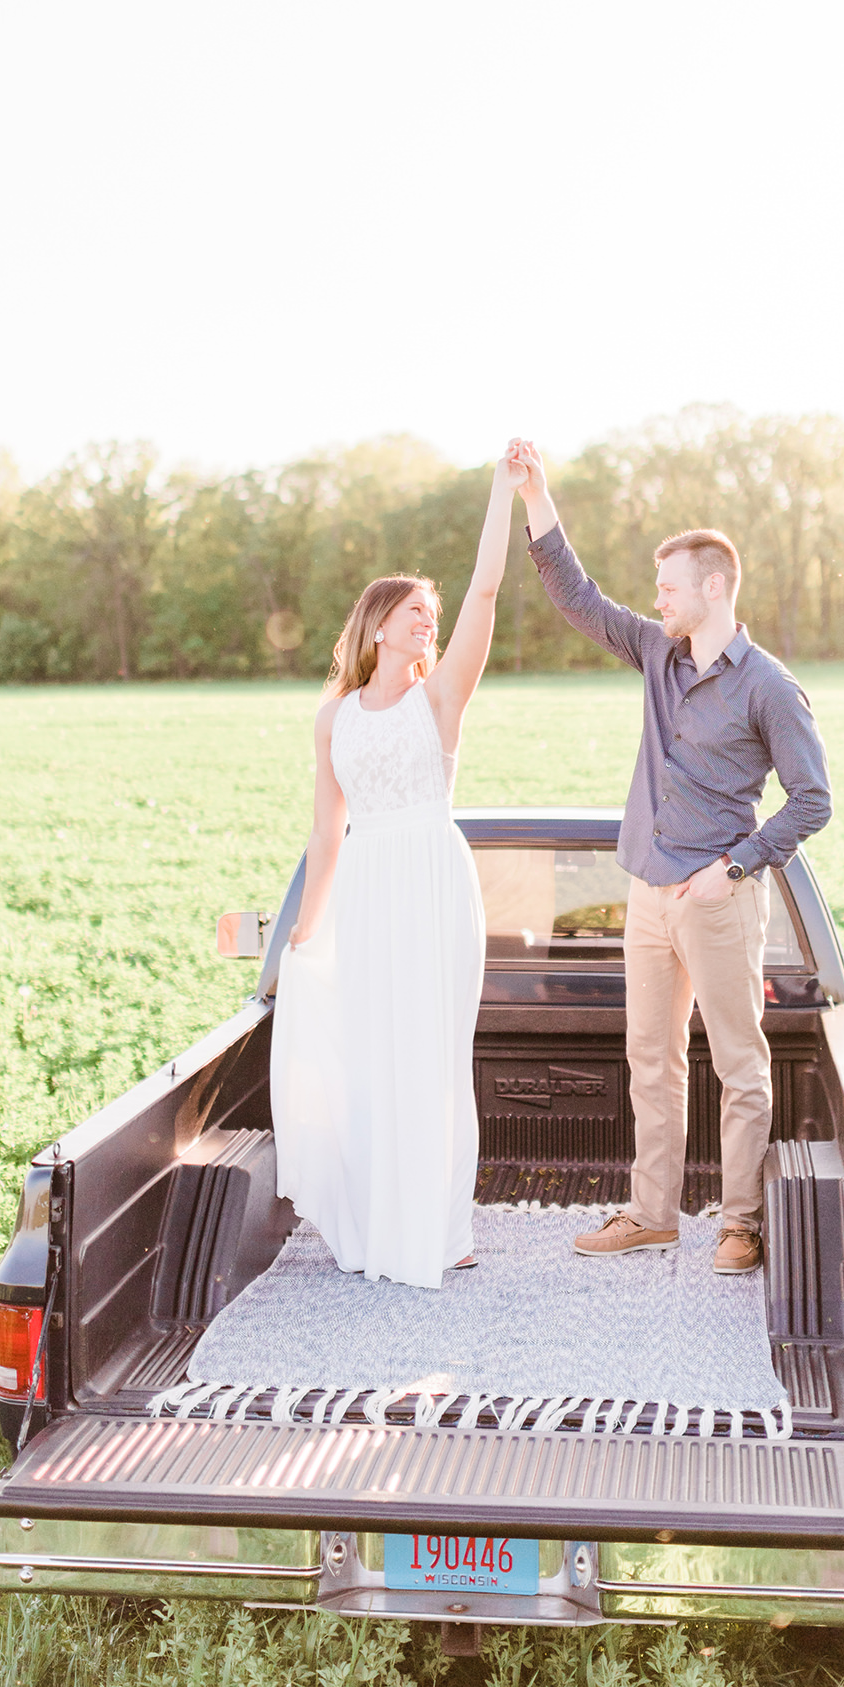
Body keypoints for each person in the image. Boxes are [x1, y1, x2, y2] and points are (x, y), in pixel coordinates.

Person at [512, 439, 832, 1274]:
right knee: (648, 1059)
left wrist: (730, 869)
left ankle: (739, 1225)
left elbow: (811, 801)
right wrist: (536, 495)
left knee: (737, 1063)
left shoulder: (768, 687)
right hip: (645, 893)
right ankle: (651, 1215)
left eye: (667, 587)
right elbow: (577, 598)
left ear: (713, 587)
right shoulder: (655, 650)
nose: (655, 600)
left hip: (716, 898)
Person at [269, 447, 529, 1288]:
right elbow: (323, 836)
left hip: (432, 878)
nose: (429, 621)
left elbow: (486, 591)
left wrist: (505, 492)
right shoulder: (333, 717)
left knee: (432, 1053)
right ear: (378, 623)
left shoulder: (440, 696)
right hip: (368, 888)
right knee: (372, 1053)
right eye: (416, 611)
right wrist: (300, 939)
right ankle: (381, 1221)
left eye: (432, 613)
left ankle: (442, 1228)